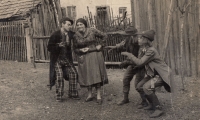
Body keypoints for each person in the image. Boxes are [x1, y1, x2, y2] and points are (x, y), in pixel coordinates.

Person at [121, 30, 174, 118]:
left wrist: (129, 55)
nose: (138, 39)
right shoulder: (144, 49)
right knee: (139, 86)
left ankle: (158, 109)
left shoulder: (151, 51)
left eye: (141, 38)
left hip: (161, 75)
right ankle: (151, 104)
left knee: (146, 87)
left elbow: (140, 62)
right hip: (154, 75)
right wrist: (130, 63)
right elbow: (140, 62)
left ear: (146, 40)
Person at [105, 26, 147, 107]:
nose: (124, 37)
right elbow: (121, 45)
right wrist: (113, 47)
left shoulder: (140, 44)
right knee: (126, 79)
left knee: (138, 84)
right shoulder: (127, 40)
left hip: (140, 66)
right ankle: (125, 98)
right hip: (132, 64)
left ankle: (144, 101)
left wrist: (126, 62)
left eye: (126, 35)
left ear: (132, 35)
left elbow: (140, 59)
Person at [73, 18, 108, 104]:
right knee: (87, 75)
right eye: (77, 25)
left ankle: (98, 95)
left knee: (96, 74)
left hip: (94, 55)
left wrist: (100, 45)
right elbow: (75, 49)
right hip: (83, 58)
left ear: (85, 24)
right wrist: (81, 50)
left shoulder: (92, 30)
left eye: (81, 24)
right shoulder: (75, 35)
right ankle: (89, 94)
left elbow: (105, 36)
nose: (79, 26)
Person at [47, 17, 80, 102]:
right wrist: (58, 46)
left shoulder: (71, 34)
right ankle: (59, 95)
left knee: (74, 73)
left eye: (71, 25)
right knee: (59, 76)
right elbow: (49, 48)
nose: (70, 26)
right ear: (62, 24)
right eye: (68, 25)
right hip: (57, 59)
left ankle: (72, 93)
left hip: (66, 58)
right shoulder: (55, 34)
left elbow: (79, 36)